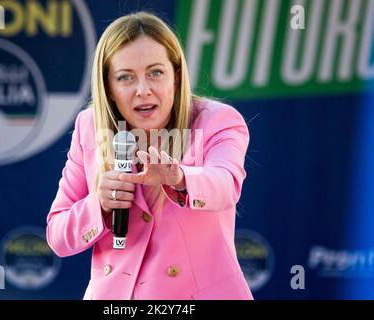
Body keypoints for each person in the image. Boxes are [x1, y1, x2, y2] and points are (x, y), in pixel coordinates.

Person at [46, 11, 253, 300]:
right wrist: (99, 205)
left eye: (156, 72)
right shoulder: (89, 127)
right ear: (109, 88)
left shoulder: (218, 120)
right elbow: (58, 236)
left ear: (176, 77)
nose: (143, 90)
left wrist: (178, 178)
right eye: (125, 77)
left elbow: (224, 183)